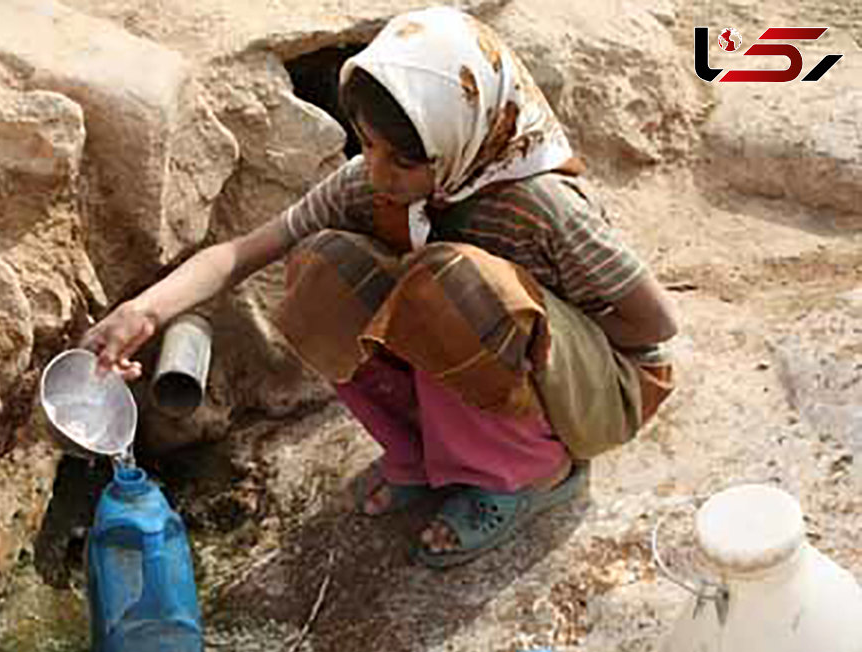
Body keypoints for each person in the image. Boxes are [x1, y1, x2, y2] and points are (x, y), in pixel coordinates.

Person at [80, 6, 678, 568]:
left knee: (449, 286)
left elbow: (653, 329)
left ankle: (529, 474)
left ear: (461, 137)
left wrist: (539, 336)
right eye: (366, 144)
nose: (377, 171)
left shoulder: (540, 207)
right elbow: (242, 253)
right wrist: (144, 311)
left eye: (403, 159)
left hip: (588, 392)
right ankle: (423, 456)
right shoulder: (370, 187)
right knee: (323, 267)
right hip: (475, 357)